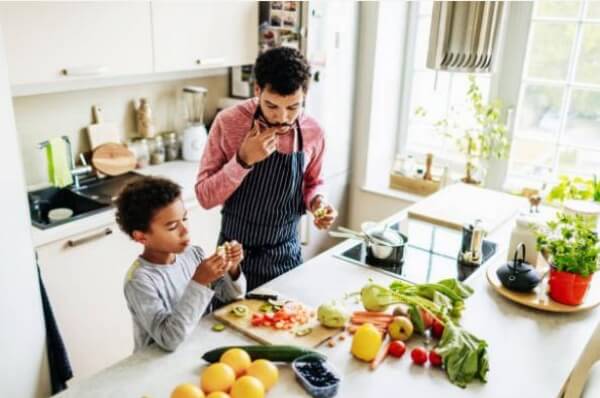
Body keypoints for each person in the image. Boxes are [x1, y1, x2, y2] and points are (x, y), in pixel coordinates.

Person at [196, 47, 337, 291]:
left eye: (294, 107)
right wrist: (242, 160)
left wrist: (318, 203)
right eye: (272, 106)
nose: (282, 117)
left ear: (305, 95)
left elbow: (313, 182)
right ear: (257, 90)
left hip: (285, 258)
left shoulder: (314, 132)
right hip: (232, 261)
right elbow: (205, 197)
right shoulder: (229, 123)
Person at [116, 176, 246, 352]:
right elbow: (169, 339)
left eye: (184, 219)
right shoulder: (139, 281)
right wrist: (199, 282)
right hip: (156, 365)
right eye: (172, 227)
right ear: (141, 237)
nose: (185, 230)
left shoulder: (193, 254)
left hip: (197, 350)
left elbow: (231, 297)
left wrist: (233, 269)